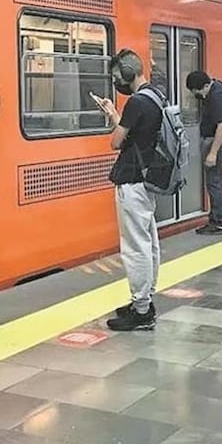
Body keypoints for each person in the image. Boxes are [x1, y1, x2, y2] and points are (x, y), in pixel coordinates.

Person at [93, 49, 162, 331]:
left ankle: (142, 310)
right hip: (147, 180)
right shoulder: (157, 96)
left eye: (117, 77)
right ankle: (144, 300)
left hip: (132, 180)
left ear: (127, 75)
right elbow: (137, 134)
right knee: (149, 243)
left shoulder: (136, 102)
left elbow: (116, 142)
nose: (117, 82)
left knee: (135, 247)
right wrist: (117, 116)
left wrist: (113, 118)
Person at [186, 70, 222, 235]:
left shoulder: (217, 97)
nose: (197, 96)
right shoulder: (219, 89)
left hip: (216, 142)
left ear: (204, 86)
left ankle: (218, 222)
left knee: (214, 182)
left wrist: (213, 153)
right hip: (217, 141)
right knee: (217, 180)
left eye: (197, 92)